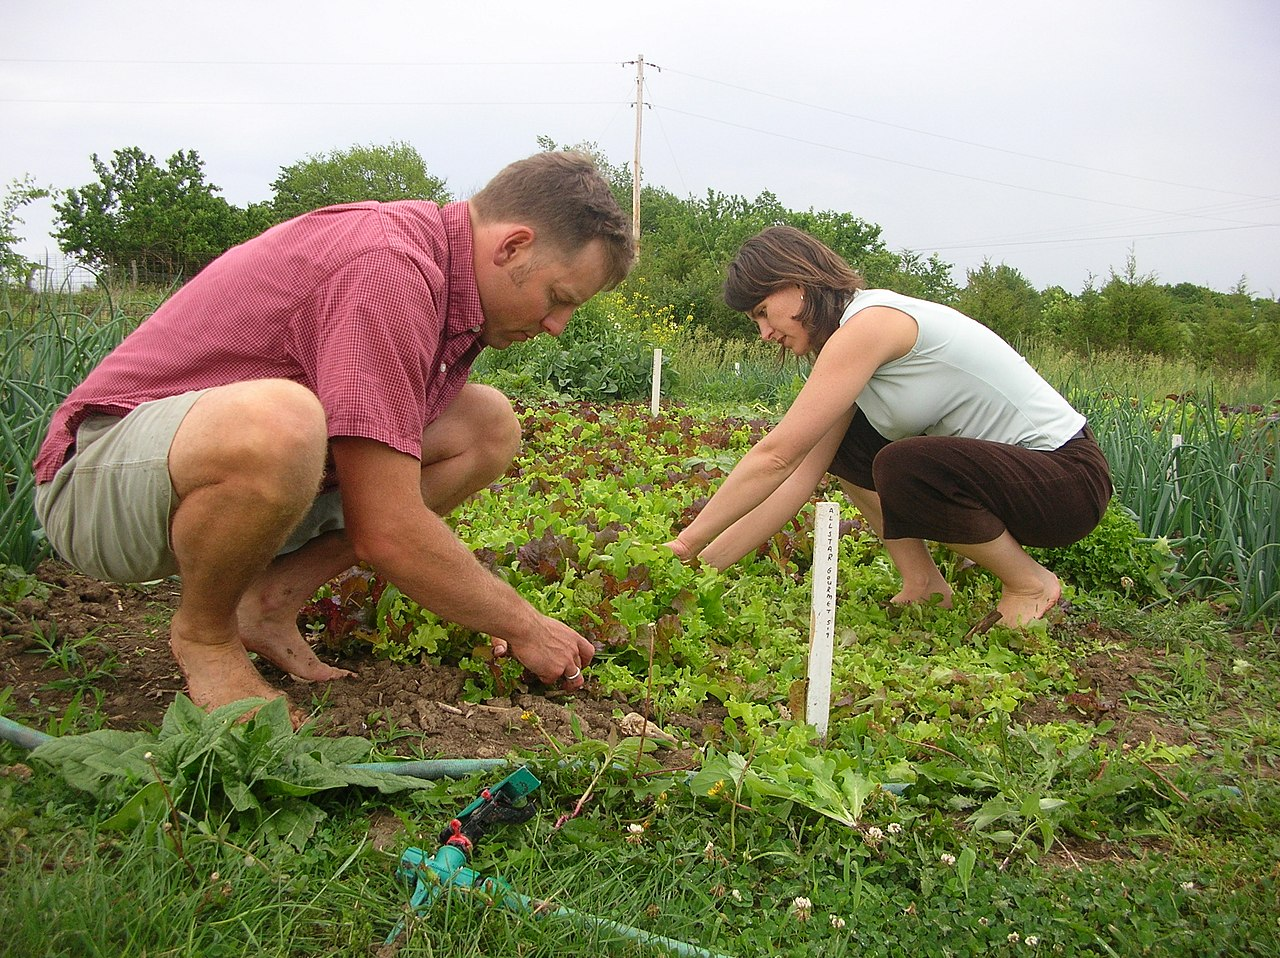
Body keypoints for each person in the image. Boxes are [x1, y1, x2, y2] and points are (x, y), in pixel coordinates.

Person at [33, 150, 636, 719]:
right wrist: (525, 625)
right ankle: (205, 637)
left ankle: (267, 604)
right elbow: (387, 529)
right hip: (99, 482)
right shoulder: (388, 267)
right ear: (512, 245)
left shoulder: (446, 280)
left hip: (199, 478)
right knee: (283, 421)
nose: (558, 325)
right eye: (558, 298)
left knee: (486, 426)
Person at [665, 226, 1112, 628]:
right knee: (850, 449)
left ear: (797, 283)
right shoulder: (844, 345)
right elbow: (796, 477)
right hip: (1019, 481)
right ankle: (923, 584)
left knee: (904, 463)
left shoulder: (871, 324)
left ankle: (1030, 584)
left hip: (1065, 480)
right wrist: (697, 570)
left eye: (764, 311)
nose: (763, 333)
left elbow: (775, 456)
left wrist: (685, 543)